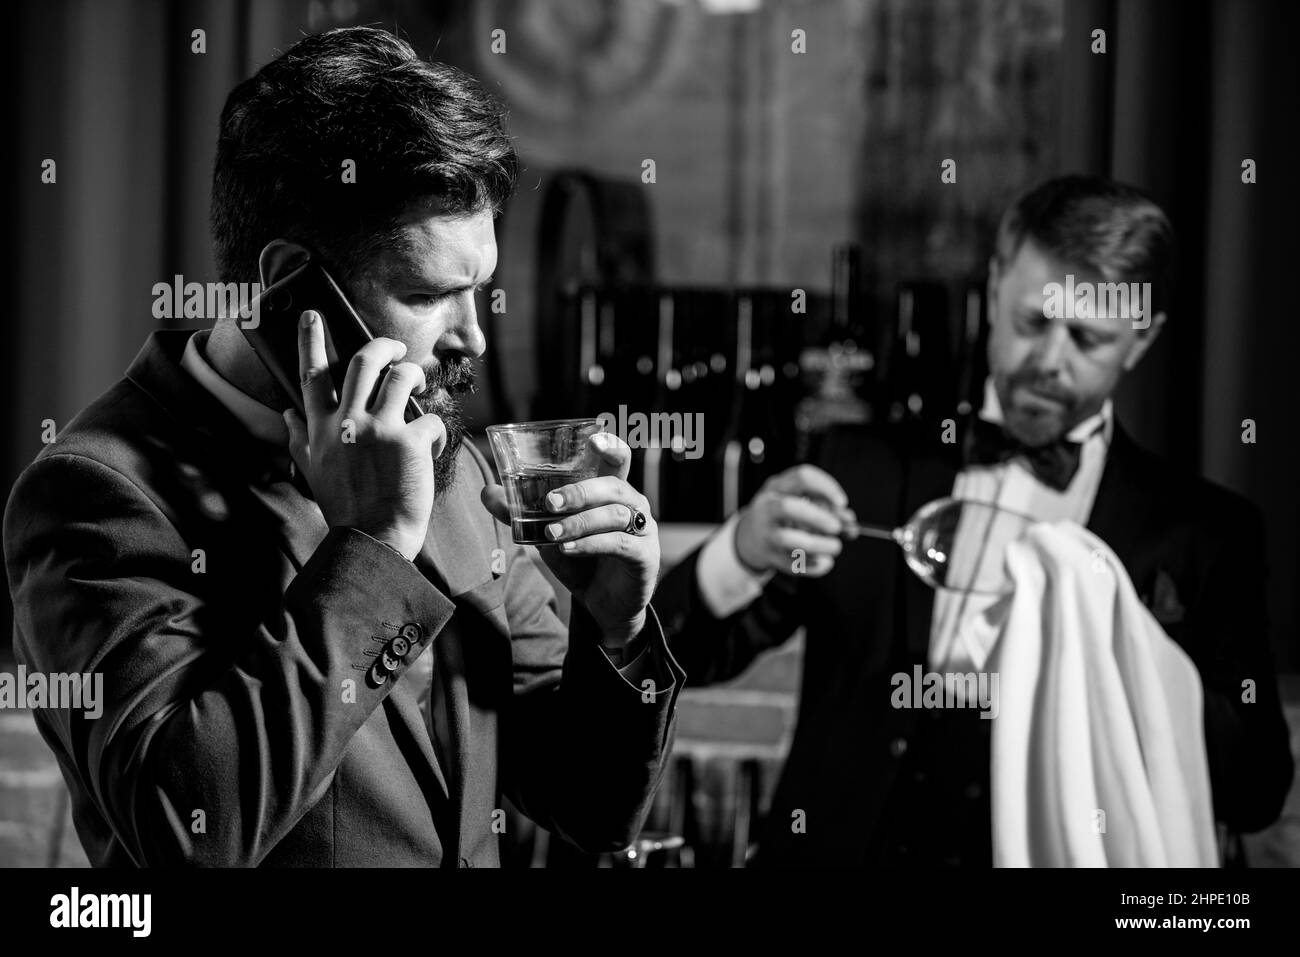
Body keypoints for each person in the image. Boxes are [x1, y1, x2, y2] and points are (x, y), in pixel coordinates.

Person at [3, 27, 682, 868]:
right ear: (291, 284)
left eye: (482, 288)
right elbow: (184, 829)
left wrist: (614, 628)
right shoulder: (94, 493)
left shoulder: (457, 466)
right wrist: (374, 547)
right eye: (431, 293)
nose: (473, 335)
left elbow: (589, 806)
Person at [654, 175, 1294, 866]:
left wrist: (1141, 653)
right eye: (1032, 322)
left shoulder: (1204, 532)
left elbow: (1255, 788)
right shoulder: (862, 465)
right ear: (993, 289)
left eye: (1088, 338)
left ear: (1141, 340)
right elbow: (679, 657)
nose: (1050, 361)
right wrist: (744, 549)